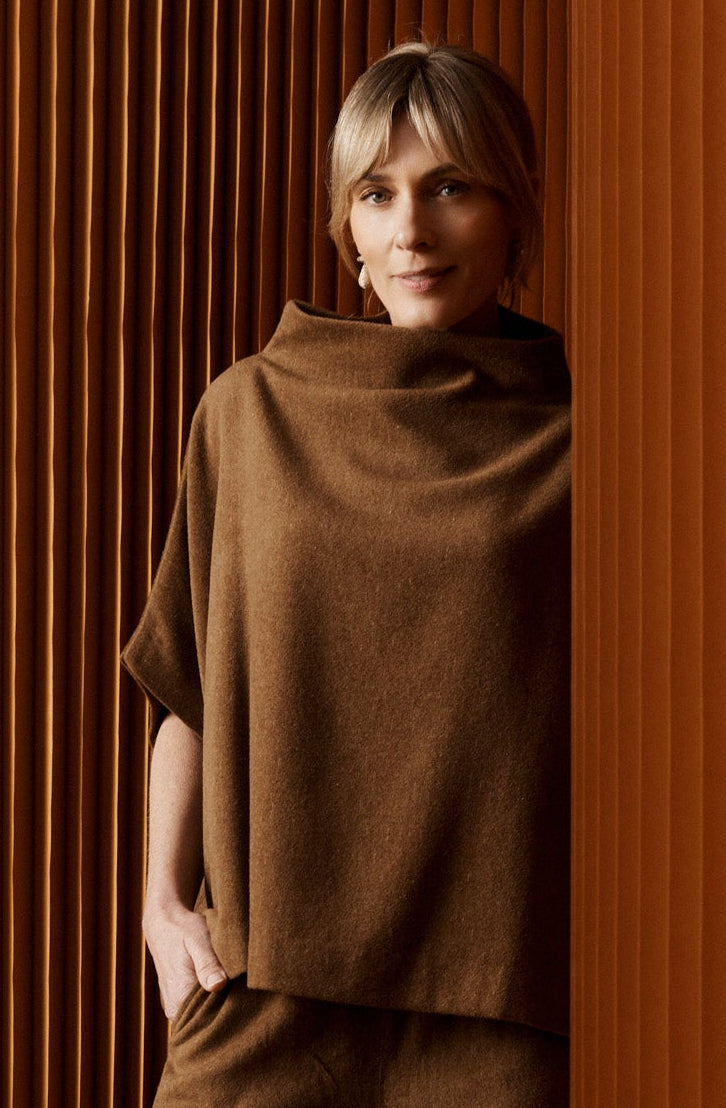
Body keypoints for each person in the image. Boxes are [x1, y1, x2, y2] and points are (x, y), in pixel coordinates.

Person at [122, 40, 571, 1107]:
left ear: (513, 211)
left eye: (450, 187)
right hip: (261, 994)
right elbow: (191, 684)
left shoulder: (588, 442)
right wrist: (162, 906)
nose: (410, 229)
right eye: (377, 194)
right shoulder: (250, 411)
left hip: (499, 1014)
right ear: (349, 230)